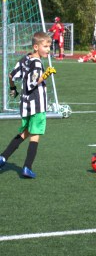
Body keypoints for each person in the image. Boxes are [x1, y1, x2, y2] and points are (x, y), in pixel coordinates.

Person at [0, 32, 56, 178]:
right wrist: (46, 74)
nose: (48, 49)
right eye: (45, 46)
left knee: (25, 132)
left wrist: (13, 88)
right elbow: (32, 83)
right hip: (37, 104)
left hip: (25, 104)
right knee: (35, 135)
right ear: (36, 47)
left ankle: (3, 157)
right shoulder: (37, 63)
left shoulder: (26, 58)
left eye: (49, 46)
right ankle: (27, 167)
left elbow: (11, 75)